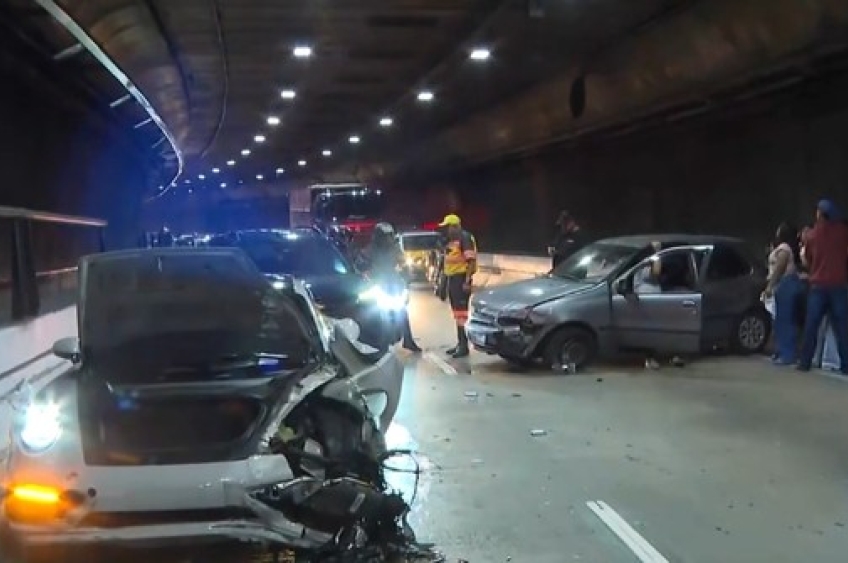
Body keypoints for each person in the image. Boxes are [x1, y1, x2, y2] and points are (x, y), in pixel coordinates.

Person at [797, 199, 848, 373]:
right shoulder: (843, 233)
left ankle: (805, 362)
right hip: (838, 285)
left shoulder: (812, 235)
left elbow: (807, 260)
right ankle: (846, 364)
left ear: (820, 214)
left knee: (811, 325)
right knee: (842, 327)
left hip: (818, 285)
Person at [360, 223, 422, 353]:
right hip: (378, 286)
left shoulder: (396, 249)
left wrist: (406, 278)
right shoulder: (369, 251)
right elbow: (361, 266)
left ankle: (408, 340)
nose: (389, 239)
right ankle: (379, 342)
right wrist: (367, 276)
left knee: (402, 313)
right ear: (379, 237)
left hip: (394, 285)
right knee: (375, 314)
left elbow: (404, 265)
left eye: (390, 236)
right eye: (386, 236)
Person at [438, 214, 477, 358]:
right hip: (453, 280)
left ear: (455, 226)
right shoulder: (451, 241)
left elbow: (471, 261)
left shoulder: (465, 238)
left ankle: (464, 346)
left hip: (461, 280)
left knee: (462, 315)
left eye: (447, 227)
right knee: (457, 314)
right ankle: (460, 343)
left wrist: (467, 281)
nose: (446, 231)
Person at [764, 223, 802, 365]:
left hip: (785, 283)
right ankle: (781, 351)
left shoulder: (784, 249)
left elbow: (780, 267)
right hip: (784, 284)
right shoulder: (782, 248)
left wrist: (770, 285)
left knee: (785, 320)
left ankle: (787, 354)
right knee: (780, 320)